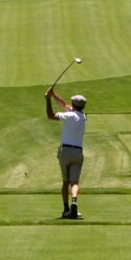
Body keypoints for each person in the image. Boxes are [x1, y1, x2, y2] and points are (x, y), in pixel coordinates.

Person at [45, 87, 87, 219]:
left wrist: (48, 100)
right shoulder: (83, 117)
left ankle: (66, 209)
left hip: (65, 151)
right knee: (74, 182)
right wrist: (54, 95)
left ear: (73, 104)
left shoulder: (68, 116)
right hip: (78, 152)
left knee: (65, 182)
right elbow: (64, 105)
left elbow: (50, 116)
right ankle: (74, 203)